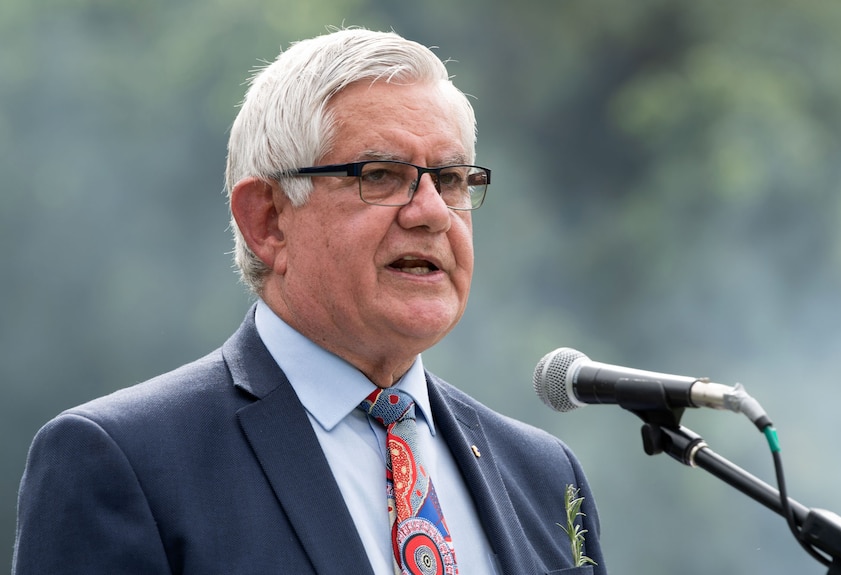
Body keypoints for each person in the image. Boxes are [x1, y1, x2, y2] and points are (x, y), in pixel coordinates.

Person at [13, 27, 607, 575]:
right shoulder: (122, 461)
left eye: (450, 179)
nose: (430, 212)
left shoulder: (543, 473)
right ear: (268, 220)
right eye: (381, 175)